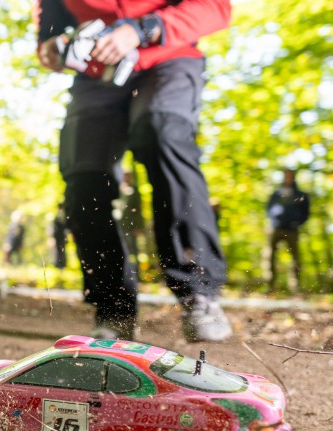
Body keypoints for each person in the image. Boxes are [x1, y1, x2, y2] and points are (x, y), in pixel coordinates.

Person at [35, 0, 233, 342]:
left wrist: (143, 29)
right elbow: (49, 28)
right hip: (96, 75)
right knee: (84, 174)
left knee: (163, 135)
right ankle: (113, 308)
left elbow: (216, 7)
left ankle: (199, 294)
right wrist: (50, 48)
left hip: (169, 58)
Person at [267, 168, 310, 291]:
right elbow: (269, 208)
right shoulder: (276, 194)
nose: (288, 178)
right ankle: (270, 285)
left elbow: (306, 212)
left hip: (292, 229)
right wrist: (274, 221)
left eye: (290, 176)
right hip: (276, 227)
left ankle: (295, 286)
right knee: (270, 255)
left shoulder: (300, 195)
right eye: (286, 176)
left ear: (294, 178)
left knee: (295, 257)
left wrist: (297, 223)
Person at [50, 202, 69, 269]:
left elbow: (63, 227)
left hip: (60, 236)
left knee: (61, 249)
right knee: (60, 249)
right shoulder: (60, 215)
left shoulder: (60, 215)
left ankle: (61, 264)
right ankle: (60, 264)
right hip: (60, 236)